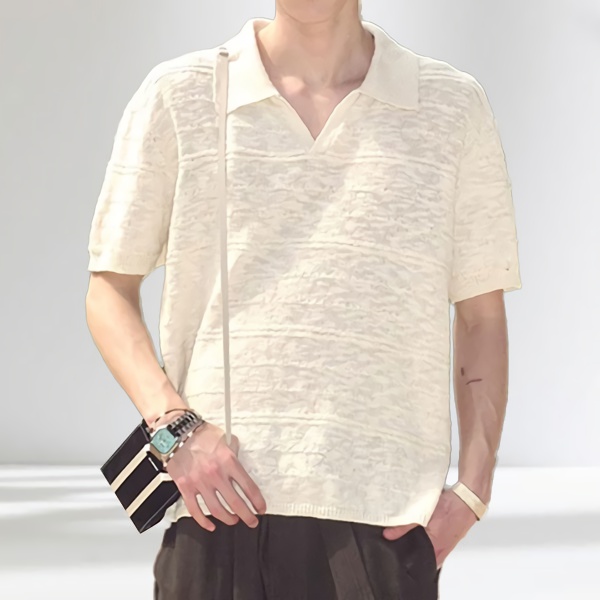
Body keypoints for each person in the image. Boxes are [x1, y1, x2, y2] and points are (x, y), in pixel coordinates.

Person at [85, 1, 522, 598]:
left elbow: (481, 316)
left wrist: (472, 490)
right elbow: (109, 290)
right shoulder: (180, 95)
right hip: (215, 507)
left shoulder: (451, 107)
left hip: (382, 522)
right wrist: (174, 429)